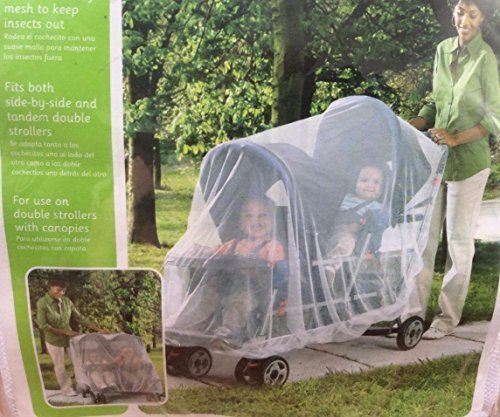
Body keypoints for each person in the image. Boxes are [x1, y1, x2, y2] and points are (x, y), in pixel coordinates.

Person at [404, 0, 500, 339]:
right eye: (461, 11)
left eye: (473, 14)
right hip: (438, 161)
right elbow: (436, 102)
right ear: (454, 12)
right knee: (423, 241)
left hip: (469, 164)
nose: (464, 20)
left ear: (482, 18)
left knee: (458, 244)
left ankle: (446, 319)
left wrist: (456, 138)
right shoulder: (443, 50)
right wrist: (410, 126)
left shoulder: (486, 59)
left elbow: (494, 118)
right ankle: (411, 316)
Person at [174, 198, 286, 346]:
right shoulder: (234, 243)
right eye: (249, 215)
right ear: (241, 224)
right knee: (205, 293)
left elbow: (279, 269)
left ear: (272, 222)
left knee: (238, 302)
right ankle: (185, 325)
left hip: (254, 287)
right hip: (225, 284)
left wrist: (262, 261)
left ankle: (231, 331)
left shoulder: (272, 246)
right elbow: (215, 252)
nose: (256, 220)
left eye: (263, 215)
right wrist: (197, 249)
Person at [36, 279, 107, 396]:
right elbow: (43, 325)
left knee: (79, 362)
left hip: (69, 338)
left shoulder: (66, 301)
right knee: (60, 366)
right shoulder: (42, 303)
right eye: (58, 290)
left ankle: (83, 386)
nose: (61, 293)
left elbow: (80, 318)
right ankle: (66, 389)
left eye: (63, 291)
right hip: (53, 340)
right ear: (50, 287)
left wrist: (99, 329)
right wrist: (65, 332)